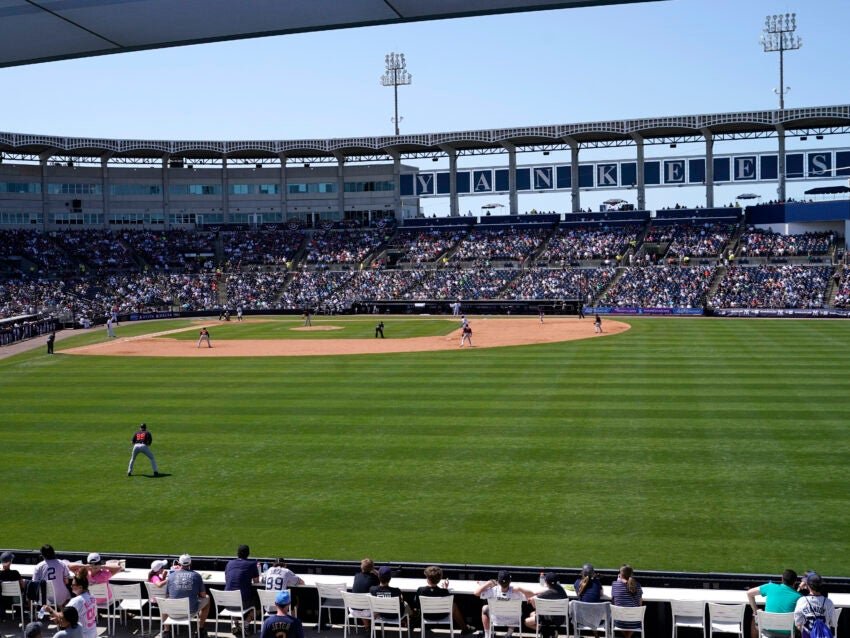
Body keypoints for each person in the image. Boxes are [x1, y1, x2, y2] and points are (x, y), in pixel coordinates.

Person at [414, 565, 476, 636]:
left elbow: (417, 605)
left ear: (427, 578)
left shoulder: (420, 590)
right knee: (453, 605)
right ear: (440, 579)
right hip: (441, 615)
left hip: (426, 615)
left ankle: (413, 623)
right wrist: (445, 589)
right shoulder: (444, 592)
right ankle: (464, 628)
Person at [474, 571, 534, 636]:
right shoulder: (517, 593)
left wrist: (488, 583)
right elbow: (532, 594)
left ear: (498, 582)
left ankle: (487, 635)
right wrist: (520, 588)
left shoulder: (492, 591)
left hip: (496, 619)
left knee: (484, 608)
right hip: (514, 620)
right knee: (518, 611)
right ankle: (509, 634)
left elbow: (476, 593)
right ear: (510, 581)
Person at [166, 554, 210, 637]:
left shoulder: (171, 576)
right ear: (190, 563)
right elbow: (203, 595)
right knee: (207, 598)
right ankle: (200, 629)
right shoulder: (196, 575)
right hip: (189, 611)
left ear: (179, 563)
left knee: (164, 603)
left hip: (173, 611)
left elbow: (167, 594)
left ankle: (166, 631)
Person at [747, 569, 801, 636]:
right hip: (787, 634)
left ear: (782, 579)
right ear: (795, 582)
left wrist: (755, 612)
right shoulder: (799, 597)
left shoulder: (770, 586)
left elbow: (749, 593)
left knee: (756, 615)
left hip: (767, 631)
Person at [224, 545, 259, 631]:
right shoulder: (252, 564)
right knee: (260, 603)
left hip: (227, 603)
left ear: (237, 553)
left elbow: (226, 579)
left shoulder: (229, 563)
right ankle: (245, 624)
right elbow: (256, 581)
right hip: (240, 603)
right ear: (248, 553)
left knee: (234, 598)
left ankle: (236, 623)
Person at [525, 573, 567, 637]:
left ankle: (549, 632)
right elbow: (548, 591)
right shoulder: (560, 588)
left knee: (526, 622)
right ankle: (550, 631)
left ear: (546, 582)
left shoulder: (548, 593)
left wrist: (532, 599)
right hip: (561, 619)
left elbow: (535, 606)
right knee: (532, 614)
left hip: (549, 619)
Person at [794, 573, 835, 638]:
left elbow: (798, 624)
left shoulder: (802, 601)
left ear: (808, 586)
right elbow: (833, 623)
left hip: (807, 635)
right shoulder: (829, 602)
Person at [58, 573, 97, 638]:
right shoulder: (92, 596)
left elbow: (63, 617)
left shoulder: (76, 601)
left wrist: (51, 610)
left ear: (80, 587)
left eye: (73, 585)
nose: (71, 586)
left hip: (82, 634)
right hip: (93, 632)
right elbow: (95, 614)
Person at [610, 565, 642, 638]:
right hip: (635, 622)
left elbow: (614, 601)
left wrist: (619, 581)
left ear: (620, 575)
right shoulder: (638, 585)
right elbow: (640, 604)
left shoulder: (614, 584)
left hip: (619, 622)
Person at [0, 552, 23, 620]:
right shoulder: (15, 573)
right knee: (21, 592)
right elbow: (23, 585)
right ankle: (19, 612)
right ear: (10, 562)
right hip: (14, 601)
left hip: (3, 600)